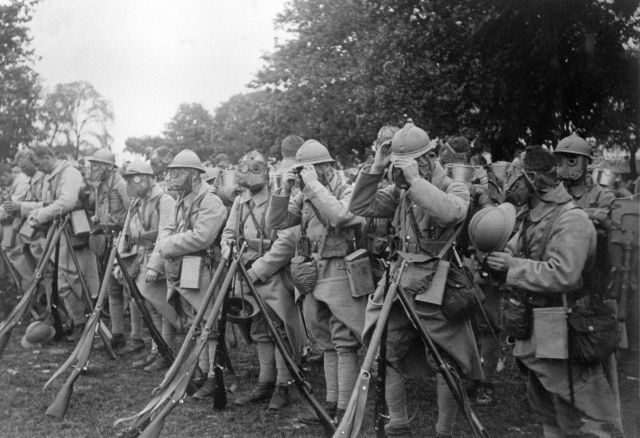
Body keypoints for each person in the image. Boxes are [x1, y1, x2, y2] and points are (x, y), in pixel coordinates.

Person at [349, 121, 483, 438]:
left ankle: (444, 431)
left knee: (447, 361)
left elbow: (451, 214)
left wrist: (414, 181)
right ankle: (398, 424)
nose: (403, 170)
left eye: (410, 163)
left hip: (437, 286)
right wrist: (377, 166)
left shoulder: (453, 186)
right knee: (385, 351)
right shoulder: (402, 189)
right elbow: (359, 206)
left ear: (430, 157)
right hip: (398, 283)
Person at [486, 147, 623, 437]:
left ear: (534, 179)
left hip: (566, 332)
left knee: (581, 416)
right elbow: (515, 252)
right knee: (548, 410)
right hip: (539, 330)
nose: (509, 182)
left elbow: (564, 274)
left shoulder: (571, 219)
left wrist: (512, 267)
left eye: (515, 175)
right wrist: (493, 260)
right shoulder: (533, 214)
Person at [267, 139, 366, 424]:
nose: (302, 175)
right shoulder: (305, 194)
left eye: (307, 169)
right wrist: (284, 191)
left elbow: (341, 216)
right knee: (325, 341)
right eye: (299, 170)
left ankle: (345, 408)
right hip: (312, 274)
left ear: (325, 167)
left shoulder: (346, 188)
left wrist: (313, 186)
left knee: (345, 340)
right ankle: (331, 405)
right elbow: (276, 223)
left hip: (340, 272)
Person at [220, 150, 304, 411]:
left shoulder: (279, 199)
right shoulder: (240, 202)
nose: (248, 176)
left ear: (265, 175)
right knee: (260, 330)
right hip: (245, 272)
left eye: (254, 170)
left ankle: (283, 385)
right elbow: (229, 232)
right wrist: (228, 249)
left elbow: (287, 242)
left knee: (280, 329)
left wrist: (261, 268)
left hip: (274, 273)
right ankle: (265, 382)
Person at [151, 149, 227, 398]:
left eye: (179, 172)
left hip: (206, 267)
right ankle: (203, 372)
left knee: (209, 323)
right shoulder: (183, 198)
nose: (173, 176)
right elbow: (168, 228)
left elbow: (202, 237)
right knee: (197, 320)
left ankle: (214, 377)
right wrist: (166, 242)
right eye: (172, 171)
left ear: (194, 175)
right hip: (187, 267)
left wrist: (168, 244)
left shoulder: (210, 200)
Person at [27, 146, 100, 343]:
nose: (39, 168)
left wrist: (42, 215)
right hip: (61, 232)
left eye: (39, 163)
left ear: (47, 157)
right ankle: (78, 322)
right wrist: (36, 212)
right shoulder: (51, 176)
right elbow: (48, 202)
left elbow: (67, 202)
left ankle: (93, 323)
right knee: (63, 283)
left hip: (75, 231)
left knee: (78, 279)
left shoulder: (70, 173)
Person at [115, 160, 180, 371]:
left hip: (160, 261)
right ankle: (157, 350)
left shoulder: (165, 200)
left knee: (164, 309)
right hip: (142, 258)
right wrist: (121, 263)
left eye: (132, 180)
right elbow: (127, 233)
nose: (128, 185)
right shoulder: (137, 202)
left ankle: (167, 352)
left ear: (145, 179)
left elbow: (166, 235)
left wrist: (156, 265)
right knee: (151, 308)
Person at [86, 149, 134, 353]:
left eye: (97, 165)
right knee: (112, 289)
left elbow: (134, 212)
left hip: (123, 241)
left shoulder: (121, 185)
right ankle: (117, 336)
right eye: (92, 164)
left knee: (130, 290)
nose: (93, 168)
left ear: (109, 167)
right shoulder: (100, 186)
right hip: (105, 241)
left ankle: (137, 338)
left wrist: (127, 239)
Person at [555, 134, 615, 211]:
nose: (564, 168)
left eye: (572, 161)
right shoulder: (553, 193)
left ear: (588, 163)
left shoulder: (602, 196)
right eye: (560, 161)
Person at [0, 162, 29, 249]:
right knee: (20, 250)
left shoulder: (22, 183)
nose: (1, 184)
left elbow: (9, 206)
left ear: (5, 175)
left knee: (33, 250)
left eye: (1, 180)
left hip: (28, 221)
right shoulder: (14, 183)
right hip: (20, 221)